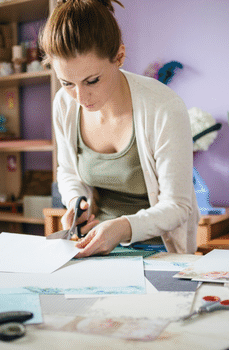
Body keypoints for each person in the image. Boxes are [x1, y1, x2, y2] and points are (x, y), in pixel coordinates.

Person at [39, 0, 200, 258]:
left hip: (160, 249)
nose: (80, 97)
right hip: (96, 245)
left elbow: (178, 205)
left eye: (92, 80)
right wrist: (76, 204)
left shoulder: (164, 107)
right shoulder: (64, 104)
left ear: (120, 57)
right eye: (67, 83)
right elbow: (68, 172)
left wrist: (123, 228)